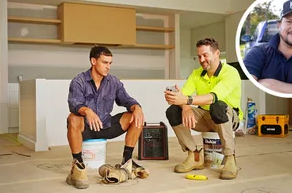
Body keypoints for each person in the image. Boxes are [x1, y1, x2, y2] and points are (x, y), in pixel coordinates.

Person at [66, 46, 145, 189]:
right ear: (93, 61)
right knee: (73, 118)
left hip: (106, 125)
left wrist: (137, 107)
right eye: (104, 62)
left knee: (136, 116)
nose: (108, 67)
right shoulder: (79, 81)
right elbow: (74, 104)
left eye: (110, 63)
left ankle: (127, 161)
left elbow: (126, 100)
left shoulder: (113, 82)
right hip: (86, 127)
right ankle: (78, 166)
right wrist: (87, 111)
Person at [164, 38, 244, 180]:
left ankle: (230, 158)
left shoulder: (230, 72)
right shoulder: (196, 74)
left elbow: (213, 97)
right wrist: (185, 107)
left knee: (217, 106)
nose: (202, 59)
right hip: (204, 117)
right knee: (173, 110)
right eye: (199, 56)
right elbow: (184, 96)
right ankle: (194, 156)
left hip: (228, 117)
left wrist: (186, 100)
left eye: (205, 55)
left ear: (217, 53)